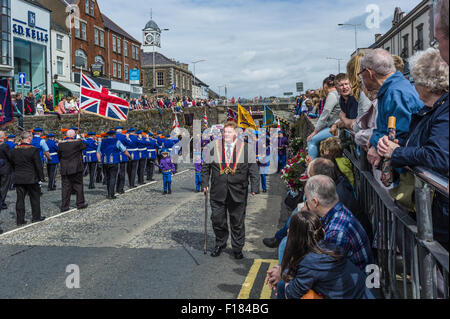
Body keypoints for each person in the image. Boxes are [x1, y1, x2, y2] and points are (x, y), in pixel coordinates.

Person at [377, 48, 449, 249]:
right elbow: (419, 144)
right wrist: (397, 145)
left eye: (415, 79)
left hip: (440, 208)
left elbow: (439, 155)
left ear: (428, 83)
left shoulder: (444, 110)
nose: (413, 85)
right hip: (431, 204)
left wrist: (395, 152)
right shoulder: (430, 110)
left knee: (434, 259)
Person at [274, 210, 377, 299]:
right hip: (367, 293)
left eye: (290, 230)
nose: (288, 231)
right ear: (321, 231)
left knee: (285, 287)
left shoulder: (310, 263)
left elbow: (291, 294)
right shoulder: (327, 247)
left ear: (294, 237)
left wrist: (285, 271)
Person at [201, 121, 260, 259]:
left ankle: (237, 247)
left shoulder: (246, 148)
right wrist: (204, 183)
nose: (226, 134)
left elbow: (253, 169)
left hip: (238, 190)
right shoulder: (212, 147)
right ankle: (220, 244)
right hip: (218, 191)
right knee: (217, 219)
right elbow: (205, 167)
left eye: (229, 132)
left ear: (236, 134)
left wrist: (255, 187)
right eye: (224, 132)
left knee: (237, 221)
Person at [359, 49, 424, 168]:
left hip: (405, 171)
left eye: (360, 74)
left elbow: (398, 136)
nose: (361, 79)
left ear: (369, 72)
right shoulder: (395, 88)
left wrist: (375, 142)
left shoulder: (395, 93)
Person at [10, 131, 46, 226]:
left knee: (20, 199)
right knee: (34, 198)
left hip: (19, 177)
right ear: (29, 138)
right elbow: (38, 165)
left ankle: (20, 220)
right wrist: (41, 177)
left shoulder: (14, 150)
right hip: (31, 177)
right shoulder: (33, 150)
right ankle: (36, 217)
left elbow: (12, 163)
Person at [307, 75, 340, 159]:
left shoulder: (332, 95)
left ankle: (312, 166)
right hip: (338, 126)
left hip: (336, 128)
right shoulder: (339, 93)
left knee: (311, 140)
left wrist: (315, 131)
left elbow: (325, 114)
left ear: (325, 86)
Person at [58, 130, 89, 213]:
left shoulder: (61, 144)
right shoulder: (77, 143)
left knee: (65, 188)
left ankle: (64, 206)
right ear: (74, 135)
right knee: (78, 186)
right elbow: (85, 146)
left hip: (65, 168)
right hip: (76, 167)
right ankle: (80, 203)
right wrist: (81, 138)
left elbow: (59, 155)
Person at [97, 130, 131, 199]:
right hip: (114, 161)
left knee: (108, 177)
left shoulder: (102, 142)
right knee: (113, 177)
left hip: (105, 161)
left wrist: (99, 160)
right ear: (113, 135)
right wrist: (129, 156)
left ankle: (109, 192)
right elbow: (124, 150)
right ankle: (111, 194)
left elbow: (98, 152)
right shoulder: (117, 141)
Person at [0, 131, 13, 210]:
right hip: (5, 169)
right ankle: (2, 202)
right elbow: (10, 157)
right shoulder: (5, 146)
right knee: (4, 187)